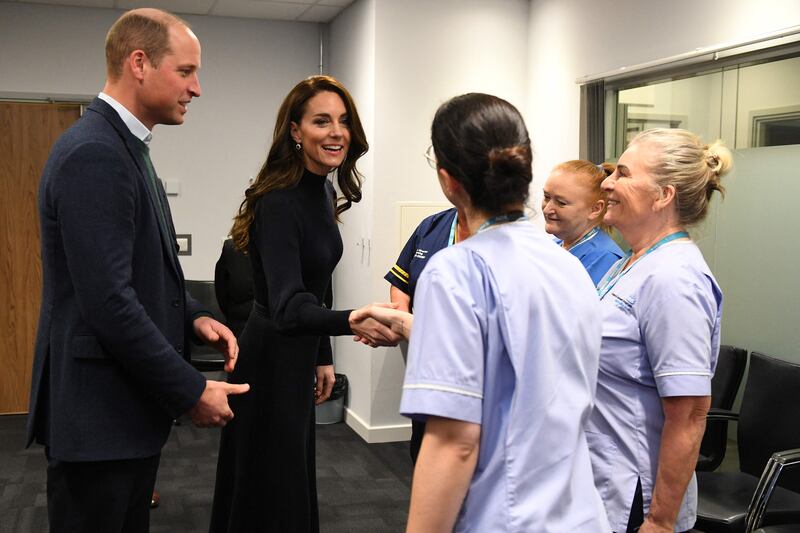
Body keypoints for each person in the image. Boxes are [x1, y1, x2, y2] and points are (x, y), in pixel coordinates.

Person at [26, 9, 248, 533]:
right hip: (99, 417)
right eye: (187, 71)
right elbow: (108, 304)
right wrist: (191, 388)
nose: (197, 88)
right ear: (140, 63)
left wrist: (193, 315)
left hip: (120, 414)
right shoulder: (94, 153)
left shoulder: (127, 147)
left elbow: (141, 268)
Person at [357, 93, 610, 531]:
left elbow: (453, 444)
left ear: (448, 179)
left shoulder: (457, 270)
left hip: (506, 518)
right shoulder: (567, 264)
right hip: (578, 514)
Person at [209, 75, 400, 533]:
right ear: (295, 131)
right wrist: (353, 319)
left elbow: (317, 282)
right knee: (269, 482)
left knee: (292, 473)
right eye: (321, 121)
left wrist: (323, 355)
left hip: (297, 353)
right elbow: (289, 306)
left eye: (343, 121)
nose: (336, 132)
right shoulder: (278, 202)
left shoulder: (322, 189)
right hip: (269, 357)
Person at [586, 128, 729, 532]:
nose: (607, 182)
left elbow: (689, 413)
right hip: (601, 485)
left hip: (635, 501)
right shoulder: (632, 262)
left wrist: (661, 521)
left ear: (663, 195)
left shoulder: (674, 279)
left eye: (624, 174)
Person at [384, 201, 469, 464]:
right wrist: (404, 323)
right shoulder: (432, 225)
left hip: (469, 373)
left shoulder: (504, 241)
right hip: (427, 364)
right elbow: (400, 282)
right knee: (423, 450)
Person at [542, 160, 624, 284]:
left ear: (595, 209)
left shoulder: (606, 260)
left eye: (561, 203)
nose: (547, 209)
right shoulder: (557, 244)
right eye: (546, 197)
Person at [214, 237, 254, 337]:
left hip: (238, 329)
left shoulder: (231, 247)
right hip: (280, 330)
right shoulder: (282, 245)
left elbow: (221, 293)